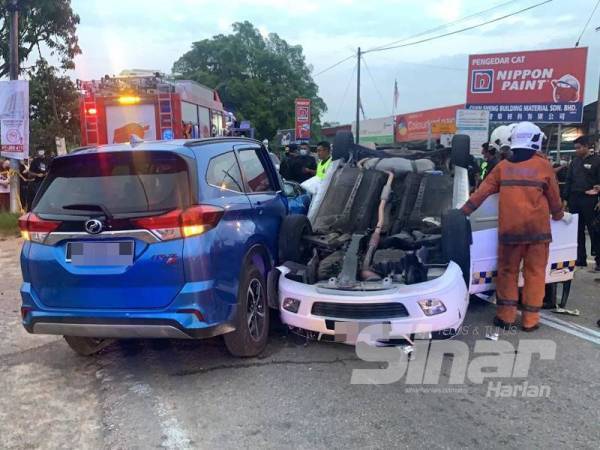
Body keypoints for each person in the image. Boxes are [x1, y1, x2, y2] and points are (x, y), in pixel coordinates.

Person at [460, 122, 571, 332]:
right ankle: (530, 321)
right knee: (535, 274)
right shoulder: (544, 166)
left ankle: (505, 317)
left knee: (507, 273)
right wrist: (559, 215)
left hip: (510, 232)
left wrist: (461, 213)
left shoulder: (503, 167)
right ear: (535, 140)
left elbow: (481, 193)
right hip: (538, 234)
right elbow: (555, 199)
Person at [564, 135, 600, 269]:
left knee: (594, 230)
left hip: (590, 200)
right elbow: (568, 181)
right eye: (575, 148)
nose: (576, 150)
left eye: (579, 148)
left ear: (586, 147)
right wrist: (565, 199)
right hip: (575, 199)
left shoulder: (597, 161)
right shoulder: (574, 162)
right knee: (577, 231)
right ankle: (580, 258)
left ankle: (599, 260)